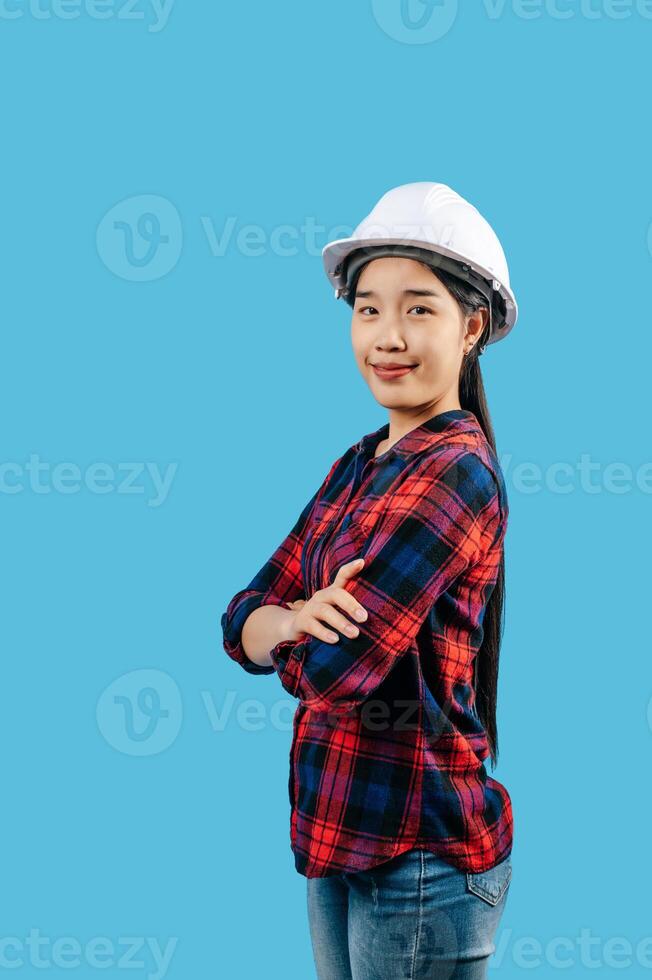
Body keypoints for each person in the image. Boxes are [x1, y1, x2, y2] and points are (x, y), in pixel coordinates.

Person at [221, 181, 518, 979]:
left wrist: (287, 626)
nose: (388, 336)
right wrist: (289, 619)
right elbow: (237, 619)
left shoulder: (457, 474)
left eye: (419, 308)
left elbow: (336, 669)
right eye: (369, 309)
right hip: (335, 833)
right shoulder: (357, 464)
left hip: (420, 859)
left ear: (472, 326)